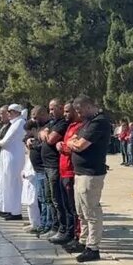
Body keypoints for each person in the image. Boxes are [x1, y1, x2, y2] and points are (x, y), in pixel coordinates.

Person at [66, 95, 112, 262]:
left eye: (79, 110)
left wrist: (74, 144)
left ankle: (93, 247)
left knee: (91, 211)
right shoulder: (87, 122)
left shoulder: (99, 122)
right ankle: (83, 240)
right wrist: (74, 143)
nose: (78, 114)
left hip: (91, 173)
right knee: (81, 211)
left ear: (87, 106)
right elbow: (72, 139)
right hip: (80, 172)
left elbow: (79, 144)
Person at [52, 101, 84, 245]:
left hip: (71, 172)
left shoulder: (80, 126)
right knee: (65, 205)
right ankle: (69, 232)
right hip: (63, 170)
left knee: (73, 207)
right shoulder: (70, 126)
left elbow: (74, 147)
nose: (65, 114)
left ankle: (75, 234)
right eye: (64, 111)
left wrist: (62, 146)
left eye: (67, 111)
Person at [40, 99, 69, 240]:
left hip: (54, 166)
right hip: (46, 166)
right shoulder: (52, 123)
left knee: (57, 200)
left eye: (53, 109)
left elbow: (51, 139)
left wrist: (46, 134)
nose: (51, 112)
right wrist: (45, 133)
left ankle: (62, 228)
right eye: (49, 109)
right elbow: (42, 134)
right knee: (49, 198)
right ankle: (54, 226)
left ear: (61, 108)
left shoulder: (63, 123)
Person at [0, 104, 26, 221]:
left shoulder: (20, 123)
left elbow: (6, 141)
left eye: (10, 112)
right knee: (5, 183)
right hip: (7, 156)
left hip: (14, 157)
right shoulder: (13, 124)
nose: (8, 114)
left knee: (14, 184)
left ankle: (15, 211)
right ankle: (6, 208)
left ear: (16, 112)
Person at [22, 120, 42, 234]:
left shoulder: (37, 140)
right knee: (29, 200)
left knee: (34, 200)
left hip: (34, 171)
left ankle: (37, 223)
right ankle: (33, 222)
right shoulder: (28, 139)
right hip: (28, 169)